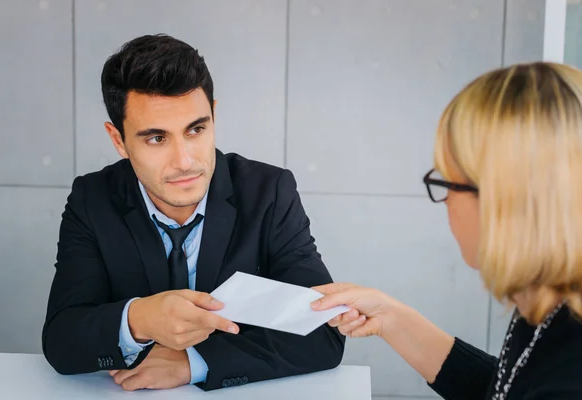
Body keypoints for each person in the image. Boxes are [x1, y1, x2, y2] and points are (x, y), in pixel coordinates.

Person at [41, 34, 344, 392]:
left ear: (214, 116)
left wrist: (195, 362)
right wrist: (138, 320)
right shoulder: (92, 199)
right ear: (118, 140)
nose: (184, 162)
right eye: (156, 138)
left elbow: (324, 331)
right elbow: (62, 341)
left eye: (196, 129)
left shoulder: (269, 192)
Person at [311, 62, 582, 399]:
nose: (445, 203)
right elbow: (502, 390)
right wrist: (390, 316)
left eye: (447, 182)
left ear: (504, 199)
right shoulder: (548, 308)